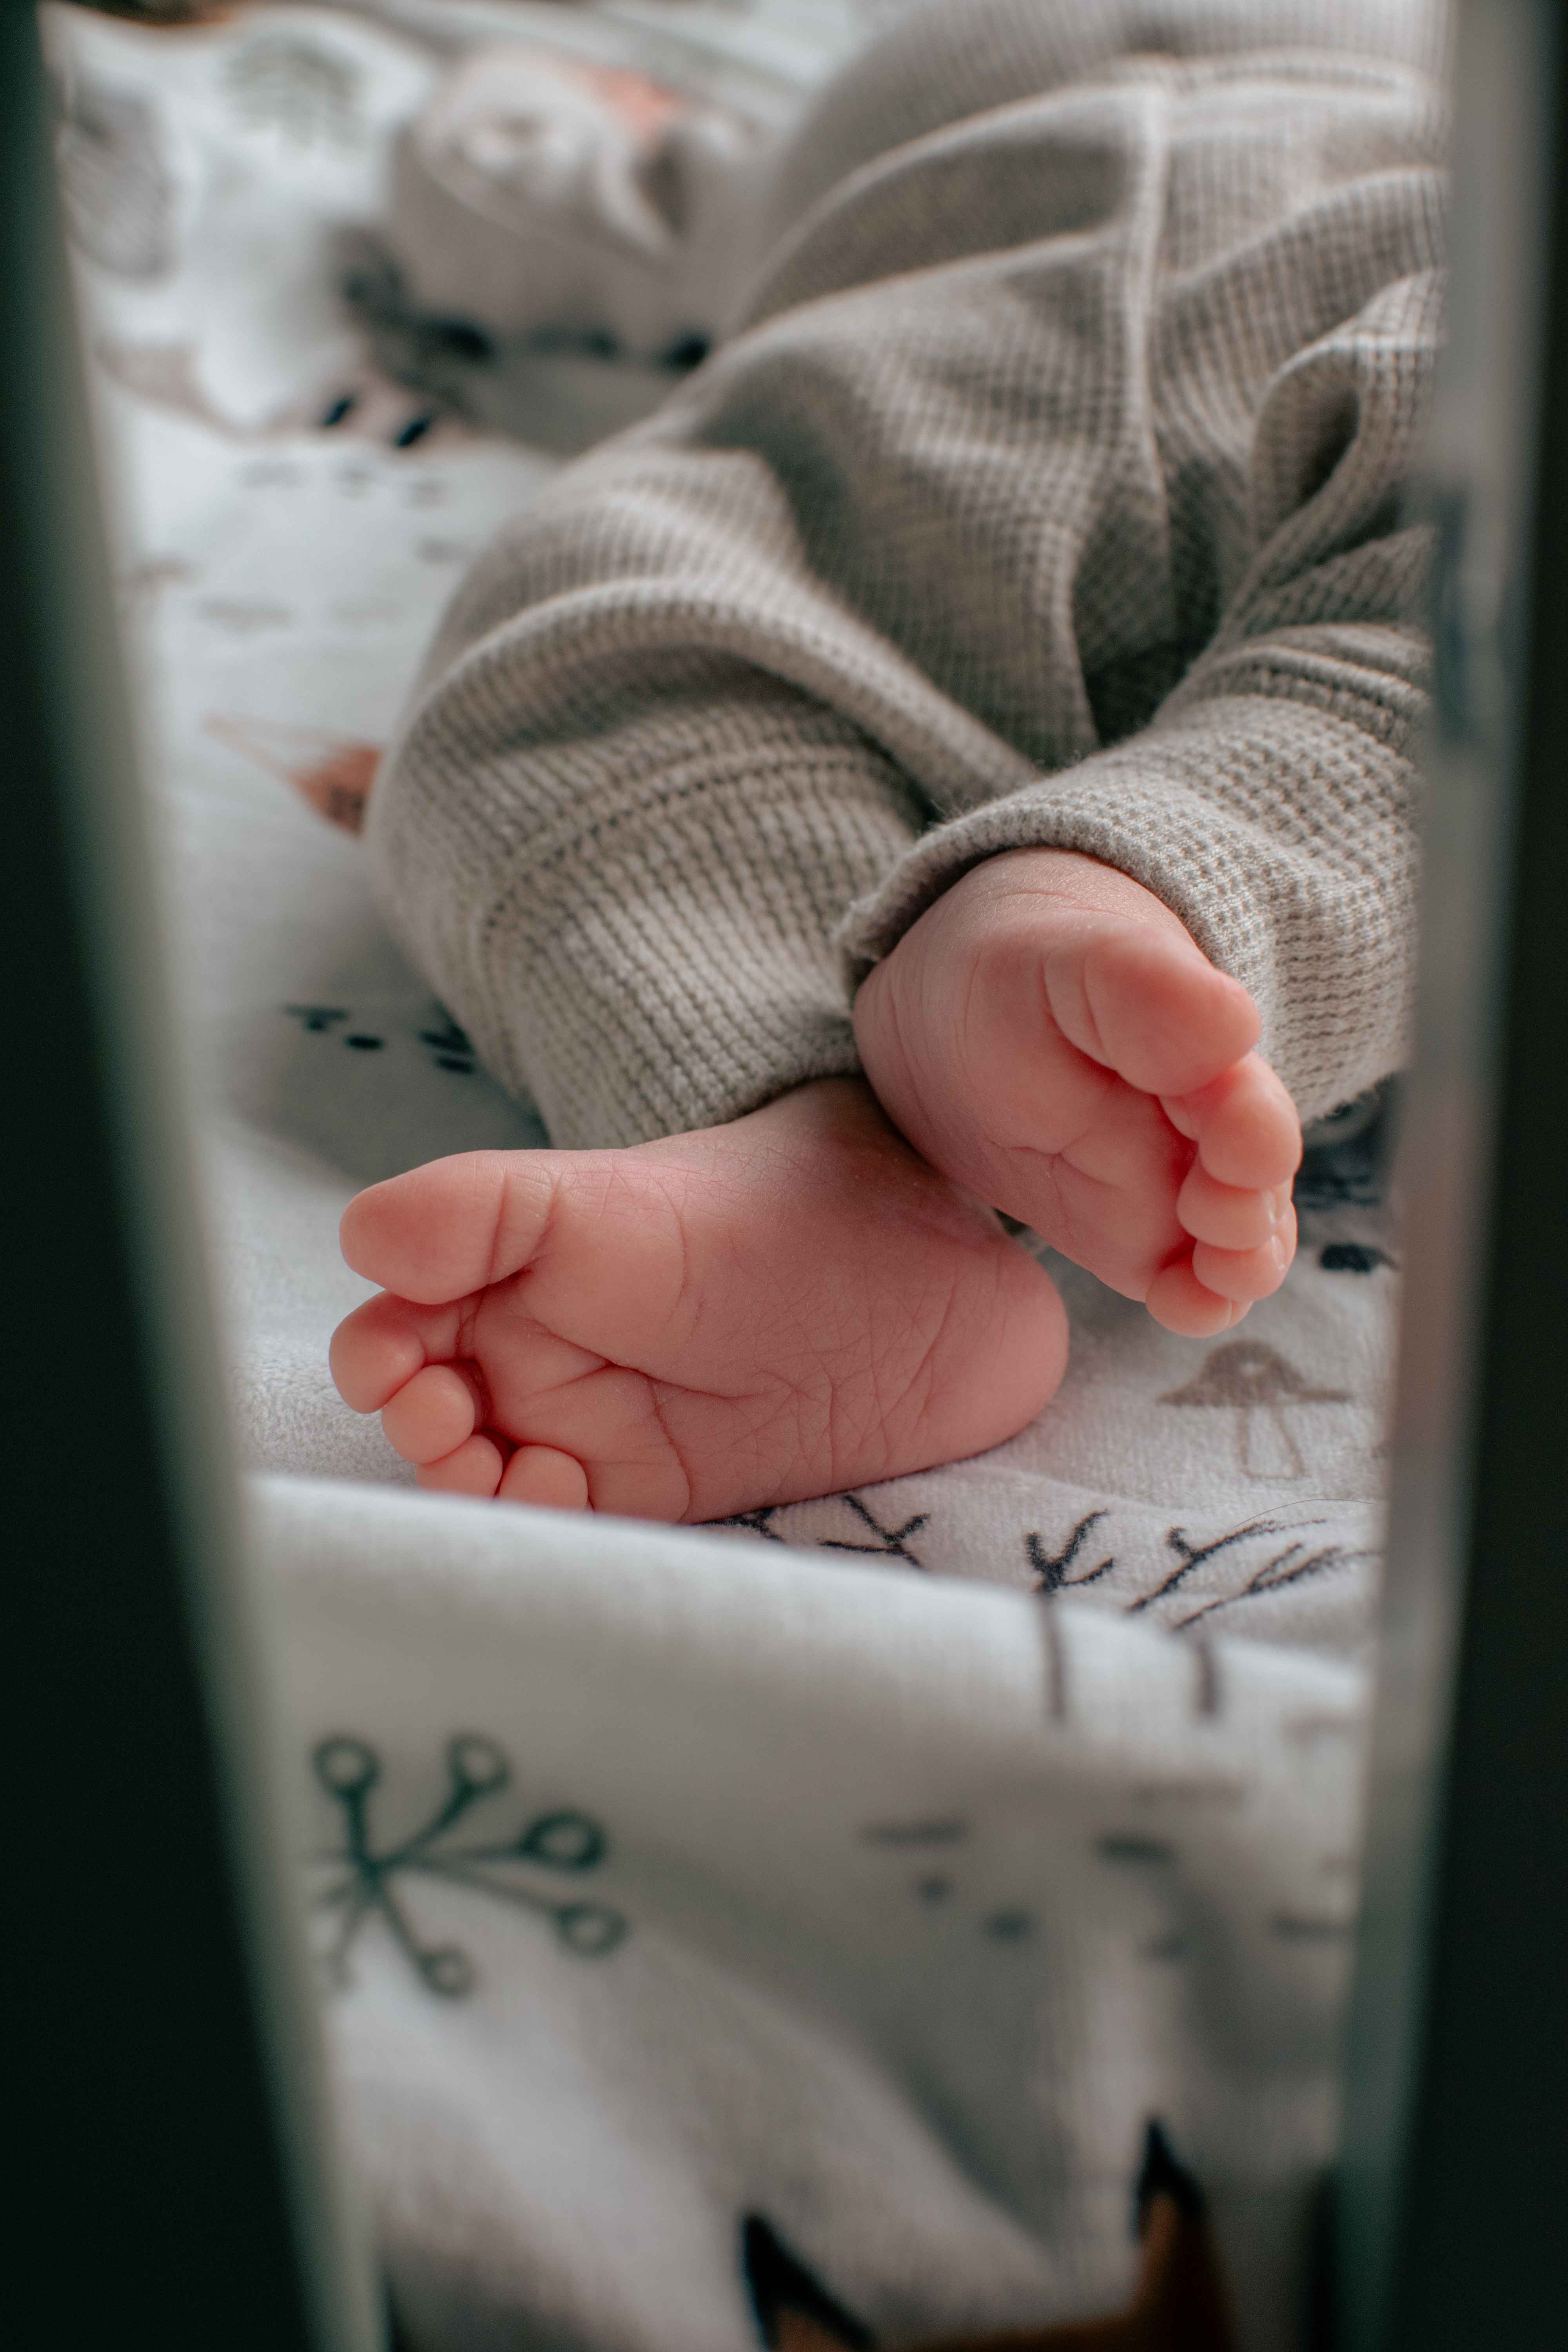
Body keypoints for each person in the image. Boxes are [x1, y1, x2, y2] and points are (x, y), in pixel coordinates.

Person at [328, 0, 1446, 1523]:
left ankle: (1166, 883)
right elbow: (508, 204)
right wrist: (547, 109)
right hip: (888, 422)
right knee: (575, 644)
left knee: (1473, 551)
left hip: (1396, 326)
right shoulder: (794, 128)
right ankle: (814, 1169)